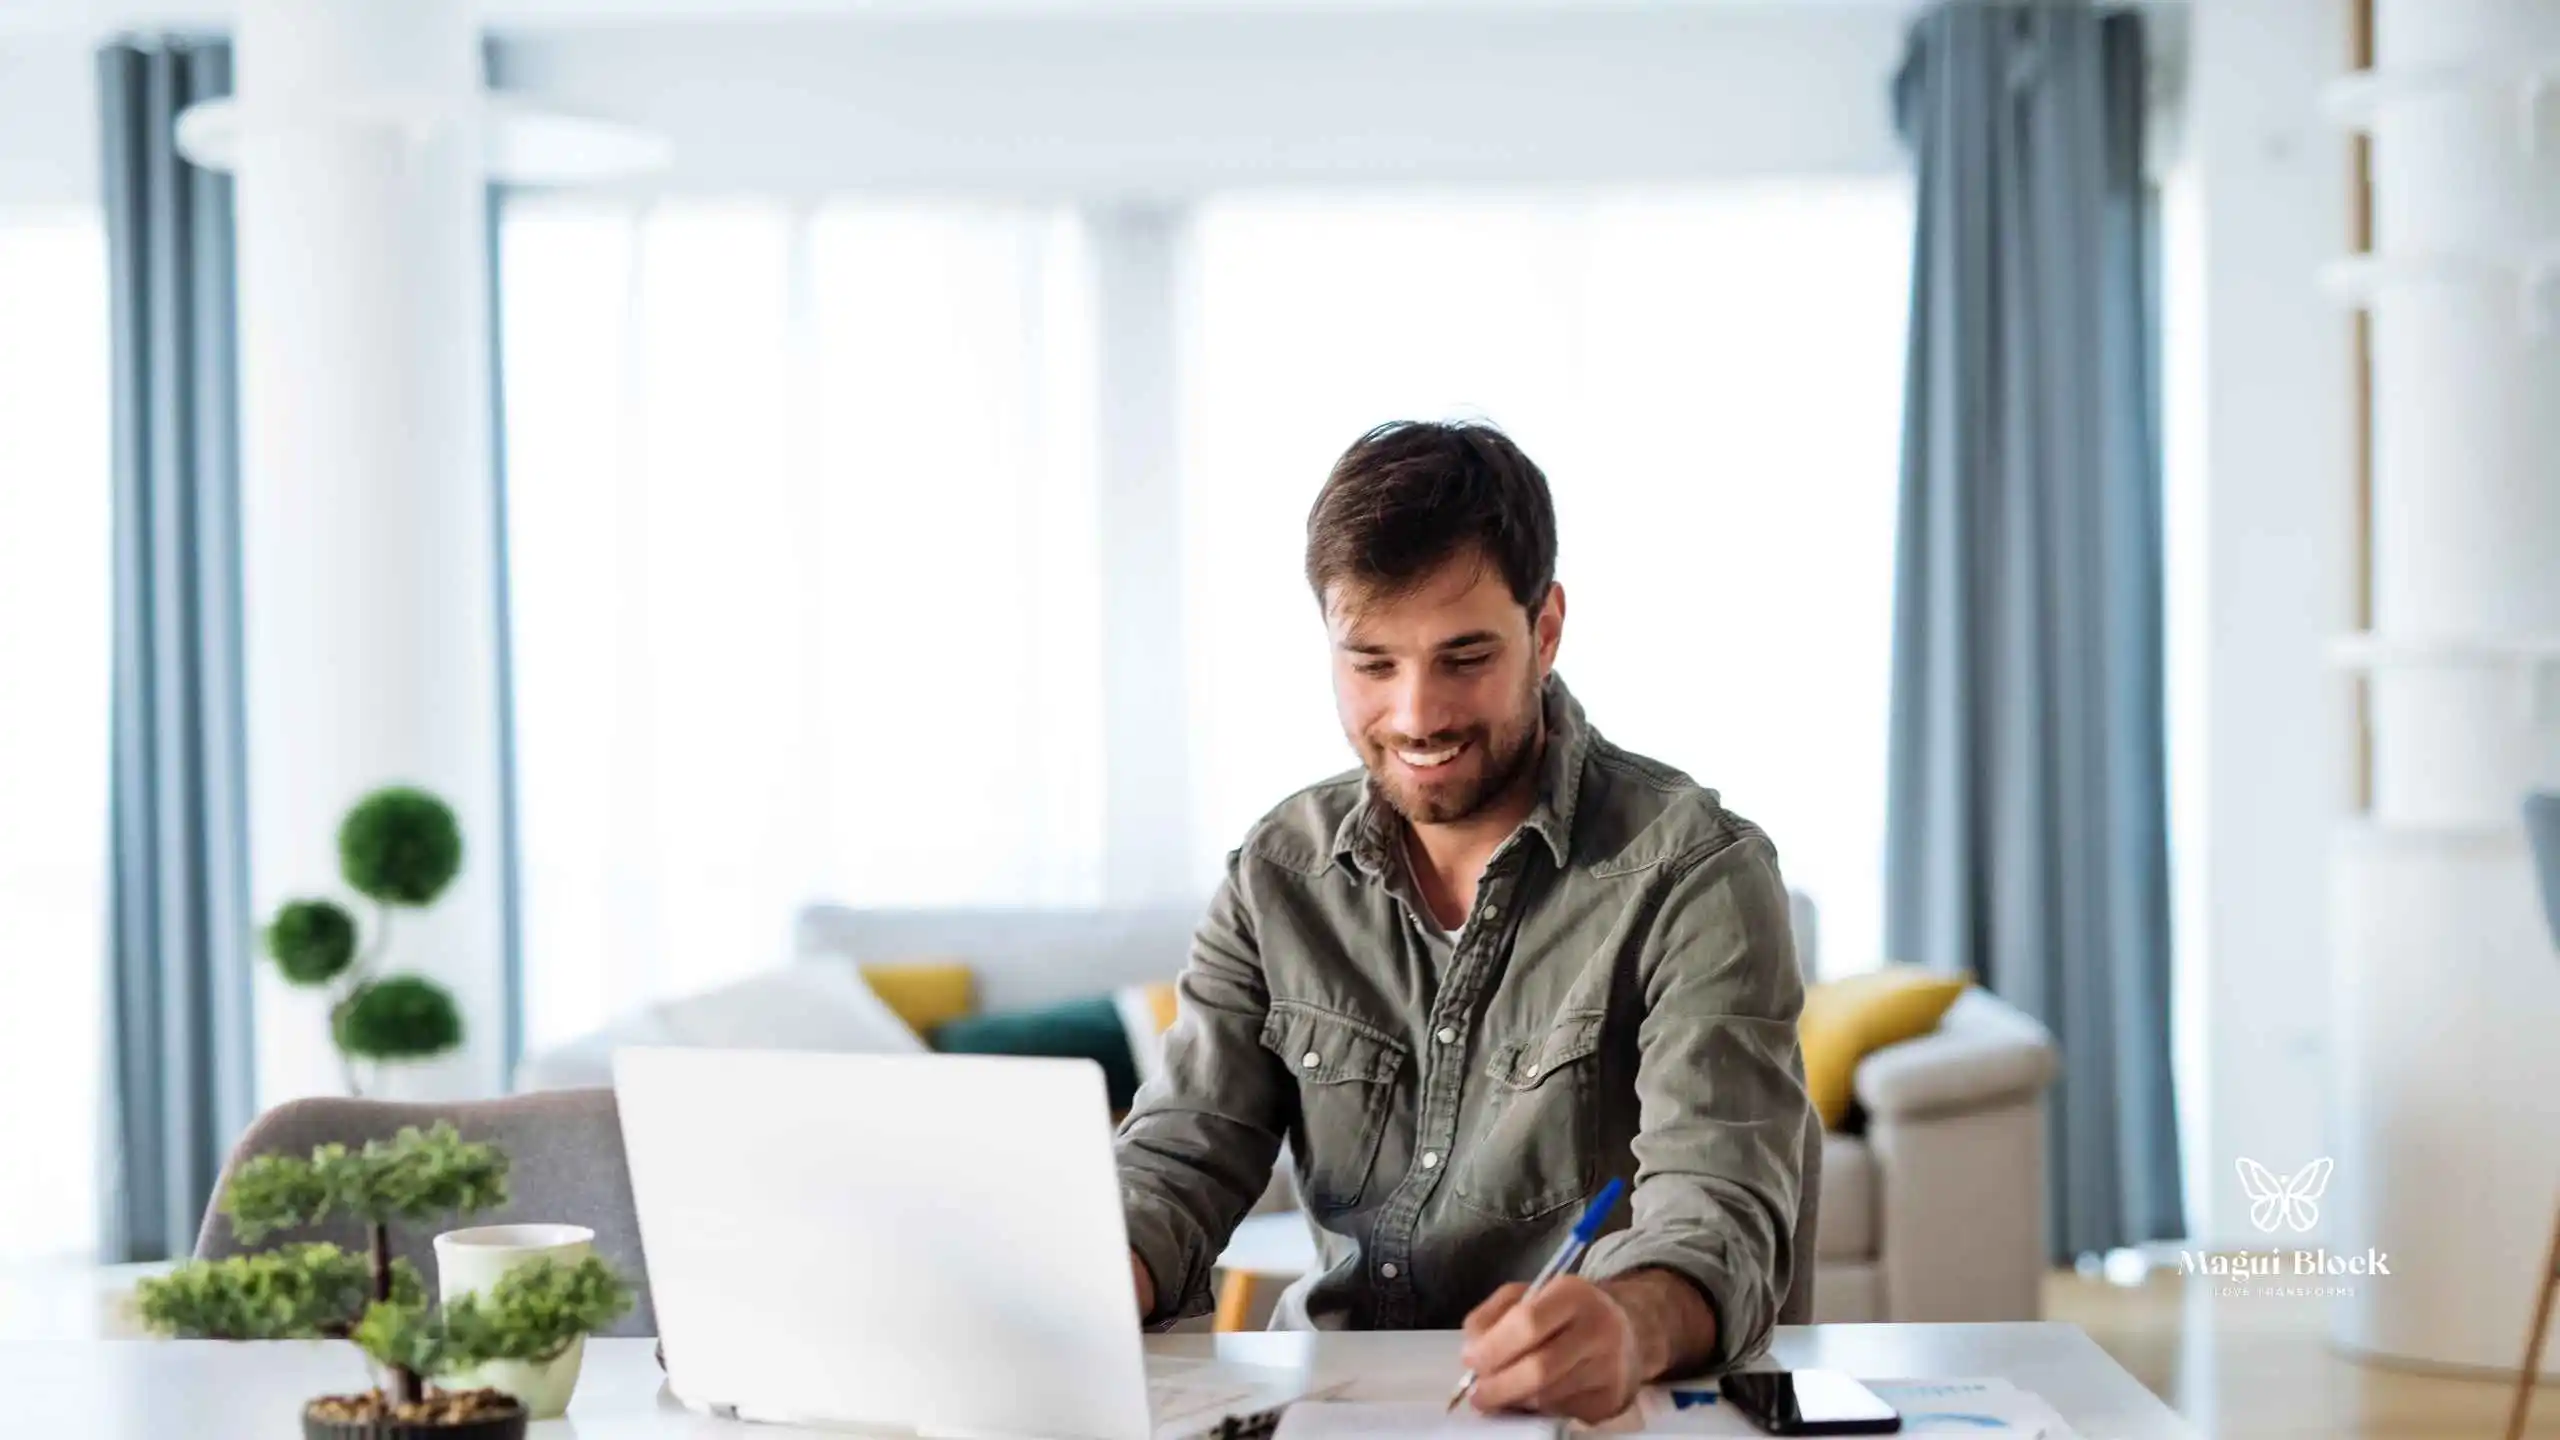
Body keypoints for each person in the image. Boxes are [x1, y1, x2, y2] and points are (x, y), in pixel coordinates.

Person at [1115, 420, 1816, 1422]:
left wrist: (1628, 1323)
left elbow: (1718, 1210)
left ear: (1549, 627)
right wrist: (1100, 1272)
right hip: (1329, 1412)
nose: (1415, 715)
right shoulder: (1279, 871)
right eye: (1370, 663)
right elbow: (1181, 1157)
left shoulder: (1696, 873)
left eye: (1464, 656)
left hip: (1583, 1418)